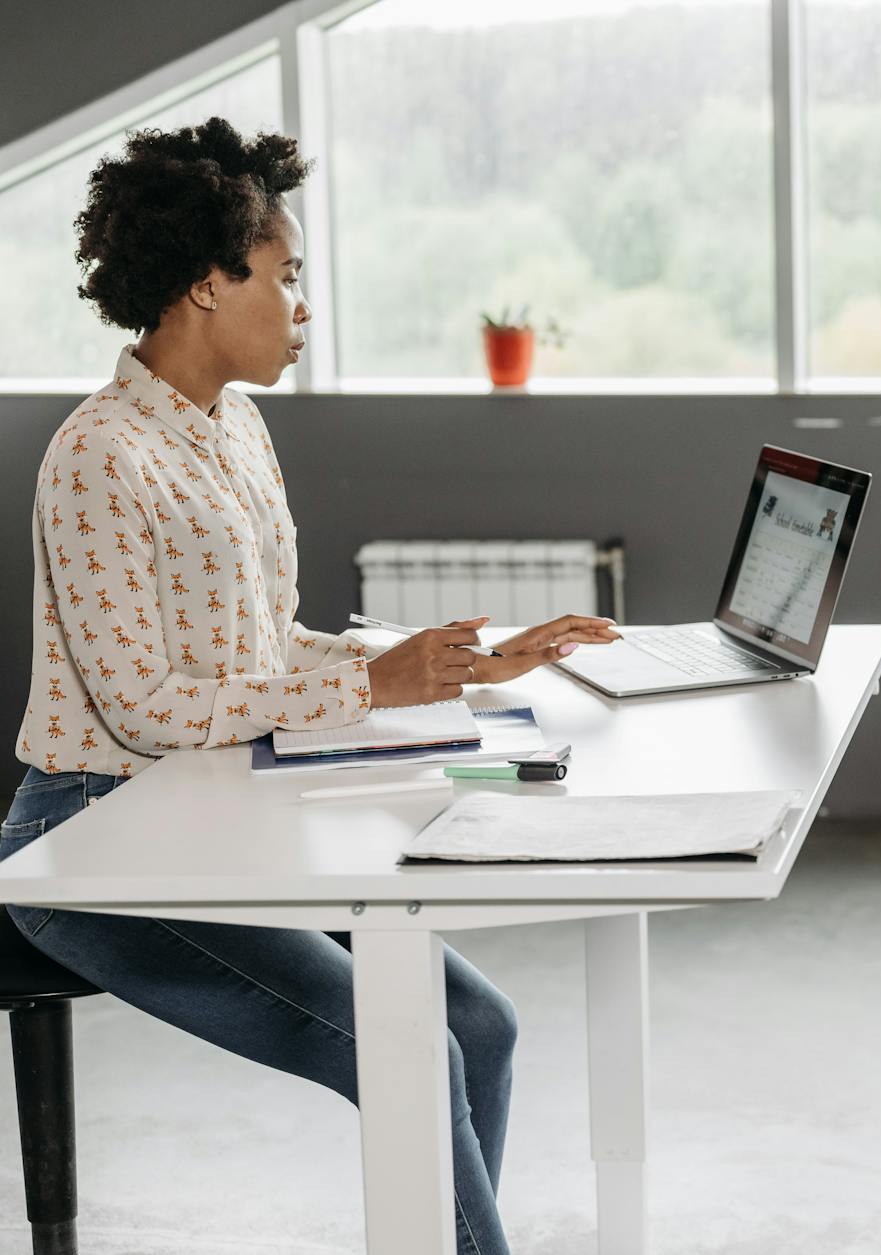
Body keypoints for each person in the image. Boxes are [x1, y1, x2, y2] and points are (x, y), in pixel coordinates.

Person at [1, 118, 619, 1254]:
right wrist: (366, 691)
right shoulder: (96, 455)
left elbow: (262, 643)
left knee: (478, 1025)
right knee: (406, 1048)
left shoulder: (235, 428)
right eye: (284, 278)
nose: (302, 307)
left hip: (211, 811)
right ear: (203, 284)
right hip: (88, 841)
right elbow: (140, 704)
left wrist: (448, 669)